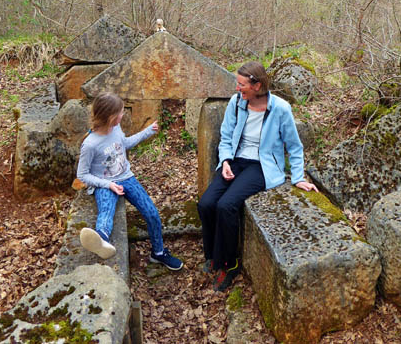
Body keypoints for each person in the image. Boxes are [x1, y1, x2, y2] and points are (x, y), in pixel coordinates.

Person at [197, 61, 317, 291]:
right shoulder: (236, 103)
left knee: (227, 205)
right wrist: (225, 161)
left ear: (257, 85)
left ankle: (228, 265)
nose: (237, 88)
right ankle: (212, 254)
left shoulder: (280, 108)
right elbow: (225, 137)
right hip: (236, 160)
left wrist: (299, 177)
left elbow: (294, 146)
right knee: (206, 203)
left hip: (262, 166)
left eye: (241, 84)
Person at [76, 92, 183, 270]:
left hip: (126, 177)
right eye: (120, 112)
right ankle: (101, 240)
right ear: (110, 117)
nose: (123, 114)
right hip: (105, 183)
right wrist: (107, 184)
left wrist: (148, 131)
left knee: (152, 213)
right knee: (106, 211)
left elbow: (124, 144)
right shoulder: (90, 144)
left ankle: (158, 252)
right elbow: (82, 175)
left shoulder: (116, 129)